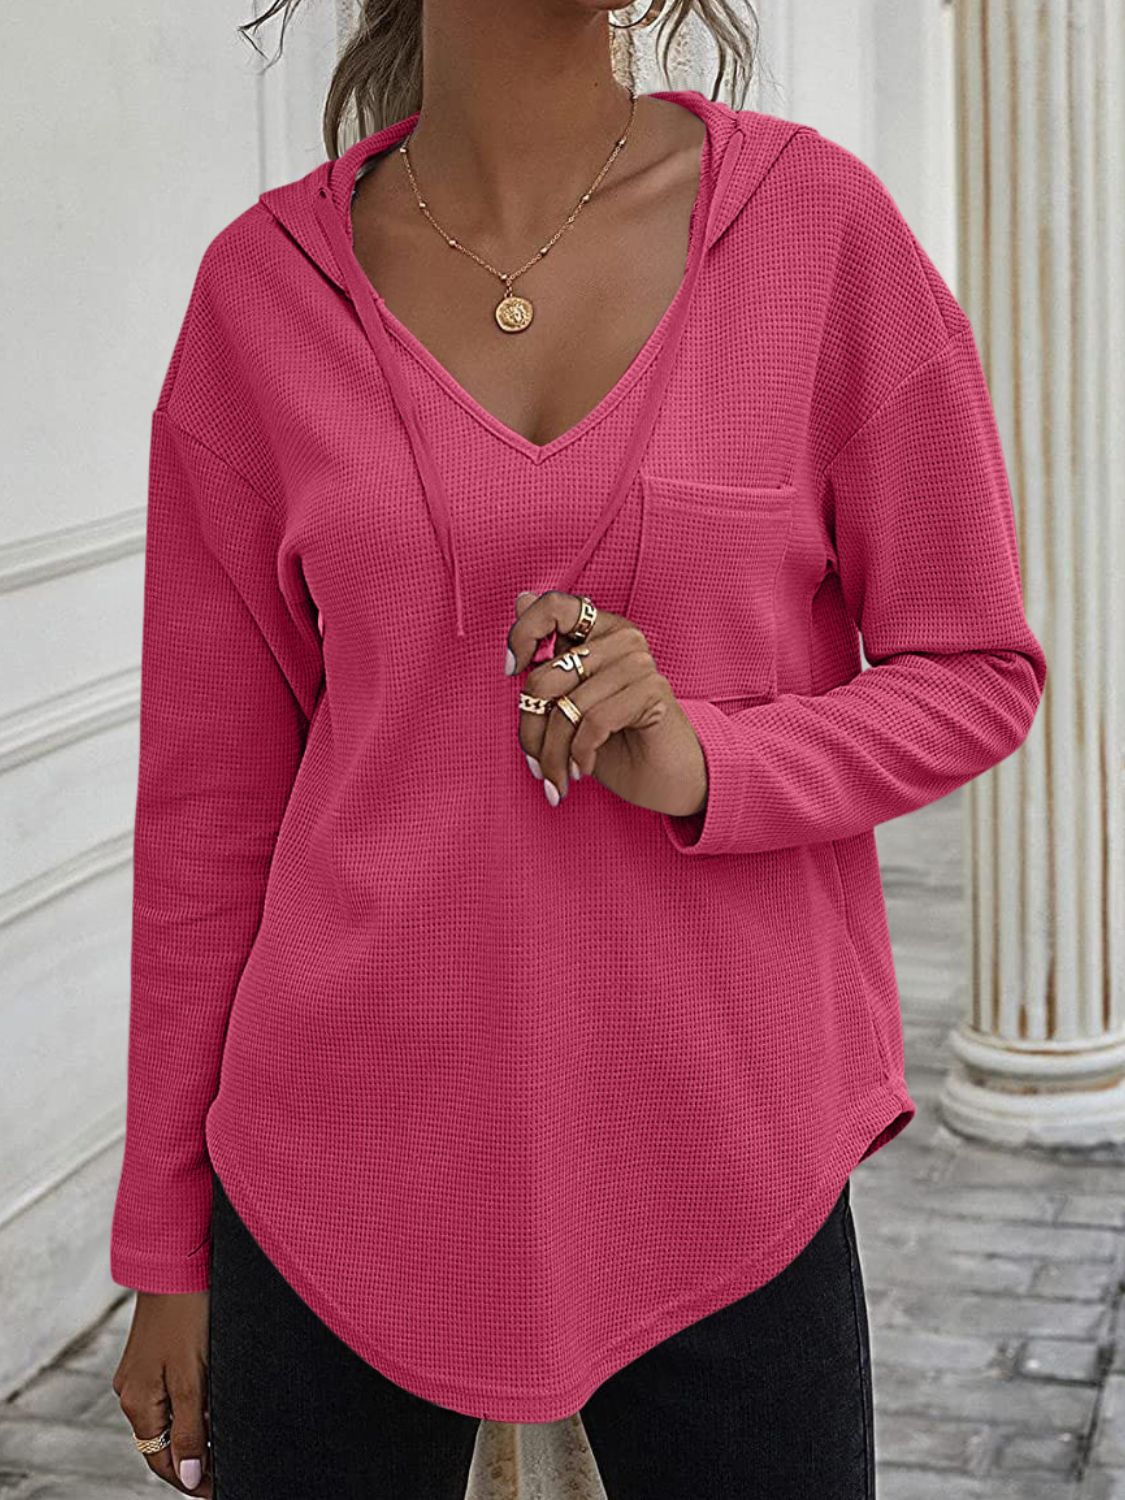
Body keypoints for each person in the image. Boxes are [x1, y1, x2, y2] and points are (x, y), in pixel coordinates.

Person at [108, 1, 1047, 1495]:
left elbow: (976, 671)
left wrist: (711, 761)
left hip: (729, 1155)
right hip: (335, 1169)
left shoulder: (816, 234)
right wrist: (167, 1239)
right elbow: (210, 815)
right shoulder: (262, 295)